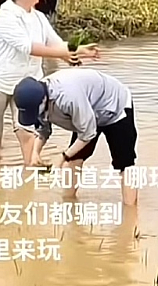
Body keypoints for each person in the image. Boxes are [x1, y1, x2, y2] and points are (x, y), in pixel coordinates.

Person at [0, 0, 99, 163]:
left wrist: (78, 51)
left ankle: (30, 170)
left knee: (27, 129)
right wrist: (64, 53)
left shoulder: (38, 17)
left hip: (27, 84)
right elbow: (28, 47)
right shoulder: (5, 16)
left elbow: (56, 44)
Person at [12, 68, 139, 206]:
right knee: (73, 160)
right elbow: (43, 129)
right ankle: (68, 204)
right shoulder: (36, 97)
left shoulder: (68, 97)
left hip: (114, 106)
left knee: (125, 163)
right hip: (86, 112)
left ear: (43, 99)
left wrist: (62, 156)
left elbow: (88, 133)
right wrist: (35, 153)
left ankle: (131, 214)